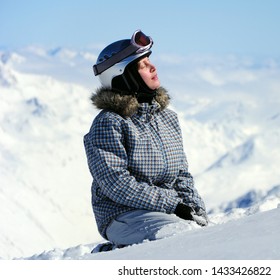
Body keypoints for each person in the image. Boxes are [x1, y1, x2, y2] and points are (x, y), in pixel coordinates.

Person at [83, 30, 208, 253]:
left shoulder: (167, 118)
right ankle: (112, 255)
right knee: (180, 241)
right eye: (142, 65)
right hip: (122, 214)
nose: (153, 68)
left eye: (150, 61)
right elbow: (117, 184)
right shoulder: (109, 123)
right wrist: (173, 204)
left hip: (168, 212)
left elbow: (181, 175)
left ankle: (121, 251)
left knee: (203, 237)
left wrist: (196, 209)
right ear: (124, 75)